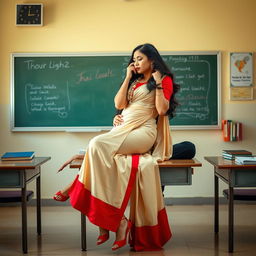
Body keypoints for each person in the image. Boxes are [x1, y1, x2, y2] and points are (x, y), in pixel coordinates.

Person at [53, 43, 180, 251]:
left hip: (143, 132)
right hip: (123, 130)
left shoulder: (164, 80)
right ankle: (119, 221)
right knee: (99, 152)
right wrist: (128, 77)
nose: (136, 62)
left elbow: (162, 110)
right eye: (134, 59)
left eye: (140, 59)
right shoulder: (134, 81)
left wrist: (157, 83)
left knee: (96, 143)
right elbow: (119, 104)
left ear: (152, 60)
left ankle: (76, 187)